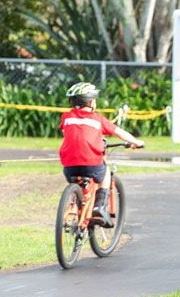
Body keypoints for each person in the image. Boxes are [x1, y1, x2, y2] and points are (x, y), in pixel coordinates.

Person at [59, 82, 144, 226]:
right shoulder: (98, 119)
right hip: (91, 163)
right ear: (91, 102)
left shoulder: (66, 117)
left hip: (69, 166)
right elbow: (118, 132)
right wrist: (136, 142)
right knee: (105, 172)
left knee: (78, 182)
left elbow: (71, 133)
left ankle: (74, 206)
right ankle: (99, 206)